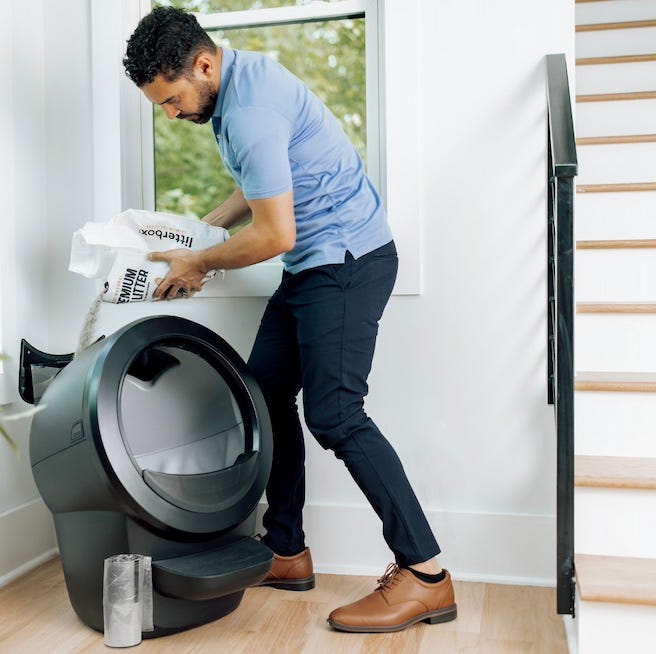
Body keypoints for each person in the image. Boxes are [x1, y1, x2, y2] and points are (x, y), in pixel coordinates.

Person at [123, 7, 456, 633]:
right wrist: (200, 232)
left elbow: (275, 232)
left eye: (171, 100)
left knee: (335, 414)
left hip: (347, 263)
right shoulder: (238, 87)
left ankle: (427, 574)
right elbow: (262, 187)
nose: (169, 115)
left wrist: (200, 262)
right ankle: (287, 551)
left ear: (203, 65)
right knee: (264, 389)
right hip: (313, 266)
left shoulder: (247, 112)